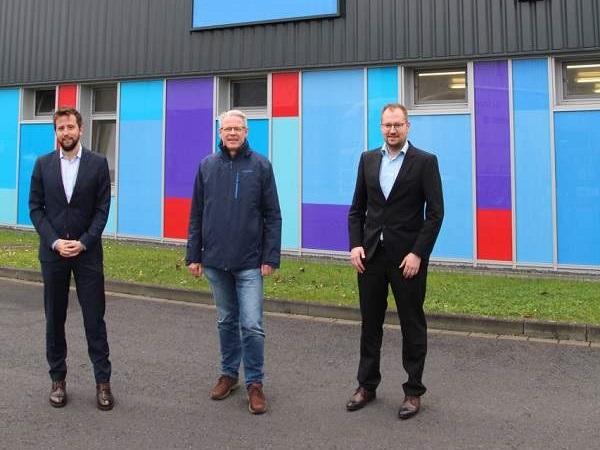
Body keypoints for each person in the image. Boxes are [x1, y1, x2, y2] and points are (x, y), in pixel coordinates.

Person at [346, 103, 444, 420]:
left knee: (411, 325)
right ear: (380, 127)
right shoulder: (367, 160)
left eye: (398, 125)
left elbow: (436, 213)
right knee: (370, 324)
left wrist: (418, 253)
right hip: (371, 257)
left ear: (408, 126)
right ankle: (367, 385)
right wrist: (356, 245)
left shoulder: (425, 162)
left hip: (407, 260)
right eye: (387, 125)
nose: (392, 130)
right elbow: (356, 209)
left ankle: (413, 391)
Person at [186, 109, 282, 415]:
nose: (231, 133)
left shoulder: (261, 167)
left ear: (246, 132)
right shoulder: (206, 167)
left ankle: (255, 383)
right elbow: (196, 213)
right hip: (215, 260)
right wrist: (193, 254)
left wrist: (270, 256)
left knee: (251, 324)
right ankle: (229, 375)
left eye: (237, 128)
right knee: (226, 321)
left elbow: (273, 215)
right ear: (219, 132)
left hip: (250, 262)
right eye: (226, 128)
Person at [29, 107, 114, 410]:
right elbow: (35, 209)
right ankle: (57, 380)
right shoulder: (42, 165)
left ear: (81, 130)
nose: (65, 132)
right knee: (55, 318)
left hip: (87, 254)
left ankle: (103, 383)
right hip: (53, 255)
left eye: (70, 127)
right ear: (56, 132)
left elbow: (102, 209)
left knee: (94, 319)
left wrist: (84, 242)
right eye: (60, 128)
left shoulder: (98, 164)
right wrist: (54, 242)